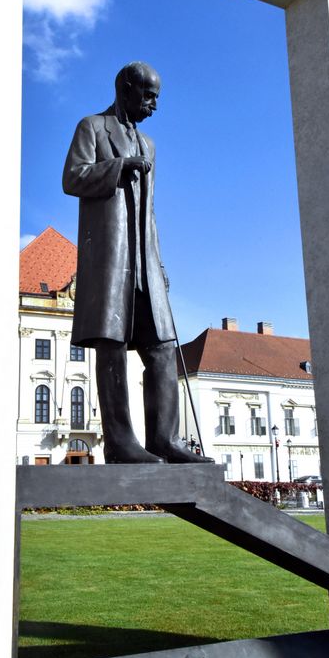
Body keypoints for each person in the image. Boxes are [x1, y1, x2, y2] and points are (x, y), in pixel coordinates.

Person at [62, 62, 211, 465]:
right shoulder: (92, 127)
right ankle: (120, 442)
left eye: (156, 98)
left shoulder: (149, 144)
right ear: (125, 88)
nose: (154, 105)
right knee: (111, 346)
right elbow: (72, 178)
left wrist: (158, 263)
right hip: (110, 259)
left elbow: (150, 211)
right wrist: (119, 166)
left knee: (161, 348)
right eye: (148, 96)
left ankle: (165, 439)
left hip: (145, 260)